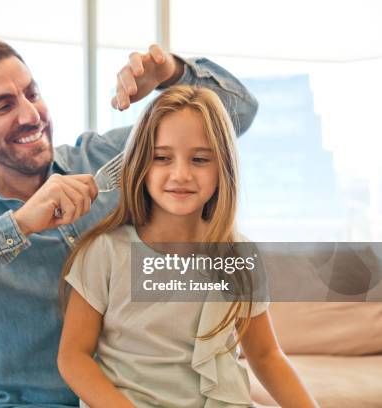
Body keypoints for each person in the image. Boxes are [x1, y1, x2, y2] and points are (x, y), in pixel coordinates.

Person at [0, 40, 258, 407]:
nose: (30, 114)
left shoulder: (103, 160)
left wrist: (172, 73)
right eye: (3, 106)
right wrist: (16, 227)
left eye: (32, 93)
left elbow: (234, 116)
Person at [57, 85, 317, 408]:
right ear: (140, 164)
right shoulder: (104, 252)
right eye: (162, 158)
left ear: (222, 168)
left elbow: (265, 355)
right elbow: (72, 356)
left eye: (199, 159)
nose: (180, 174)